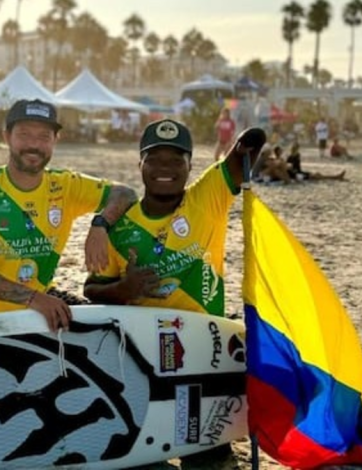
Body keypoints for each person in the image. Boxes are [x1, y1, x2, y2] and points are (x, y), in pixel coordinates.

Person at [83, 121, 267, 466]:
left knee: (207, 458)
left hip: (205, 352)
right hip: (144, 359)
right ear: (140, 165)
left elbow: (240, 159)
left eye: (175, 161)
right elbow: (91, 290)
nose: (164, 169)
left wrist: (248, 144)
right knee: (147, 456)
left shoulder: (207, 197)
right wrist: (125, 288)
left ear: (190, 166)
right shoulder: (120, 229)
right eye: (155, 160)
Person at [0, 99, 138, 331]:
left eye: (44, 137)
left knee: (112, 327)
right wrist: (33, 298)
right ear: (6, 137)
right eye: (24, 135)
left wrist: (100, 224)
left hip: (42, 304)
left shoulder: (64, 185)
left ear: (55, 140)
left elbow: (126, 194)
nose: (34, 145)